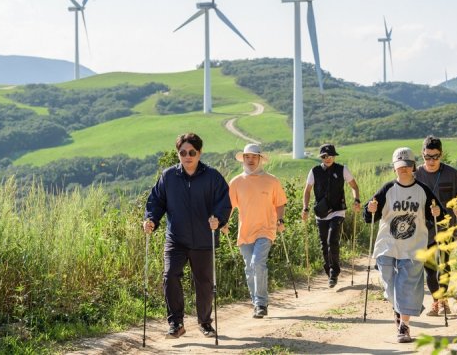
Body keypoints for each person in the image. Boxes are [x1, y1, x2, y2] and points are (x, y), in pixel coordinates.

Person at [143, 132, 232, 339]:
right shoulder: (168, 176)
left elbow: (224, 202)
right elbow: (156, 201)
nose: (187, 156)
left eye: (192, 152)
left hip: (204, 239)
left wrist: (218, 219)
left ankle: (205, 322)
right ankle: (176, 323)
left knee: (204, 283)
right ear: (178, 154)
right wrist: (151, 219)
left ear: (200, 153)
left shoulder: (212, 177)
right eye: (183, 152)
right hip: (176, 239)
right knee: (170, 276)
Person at [365, 147, 444, 343]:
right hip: (387, 245)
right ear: (394, 168)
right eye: (400, 166)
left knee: (406, 286)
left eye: (407, 165)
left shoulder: (423, 190)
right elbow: (369, 216)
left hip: (413, 247)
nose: (404, 169)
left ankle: (404, 326)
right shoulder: (387, 189)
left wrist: (437, 212)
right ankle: (401, 308)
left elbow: (439, 214)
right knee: (389, 283)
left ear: (413, 166)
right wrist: (370, 208)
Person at [227, 143, 288, 319]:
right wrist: (224, 222)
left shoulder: (272, 181)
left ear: (260, 159)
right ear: (243, 159)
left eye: (254, 157)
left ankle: (261, 303)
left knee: (257, 263)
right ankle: (257, 302)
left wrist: (280, 219)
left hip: (266, 230)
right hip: (245, 232)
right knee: (249, 268)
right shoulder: (236, 182)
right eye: (247, 157)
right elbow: (229, 206)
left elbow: (280, 203)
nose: (250, 160)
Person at [414, 135, 457, 317]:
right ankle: (437, 301)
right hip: (423, 230)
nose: (431, 161)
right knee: (430, 269)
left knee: (443, 264)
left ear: (441, 155)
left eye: (435, 157)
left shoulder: (452, 174)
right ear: (422, 154)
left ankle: (443, 302)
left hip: (446, 227)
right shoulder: (415, 175)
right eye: (427, 157)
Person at [302, 143, 361, 288]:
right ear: (321, 157)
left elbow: (354, 186)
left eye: (330, 156)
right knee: (324, 244)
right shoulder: (314, 171)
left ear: (334, 156)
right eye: (324, 156)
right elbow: (307, 191)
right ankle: (329, 271)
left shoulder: (342, 169)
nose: (327, 158)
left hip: (338, 211)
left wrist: (356, 200)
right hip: (321, 213)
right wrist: (305, 208)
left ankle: (334, 272)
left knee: (331, 240)